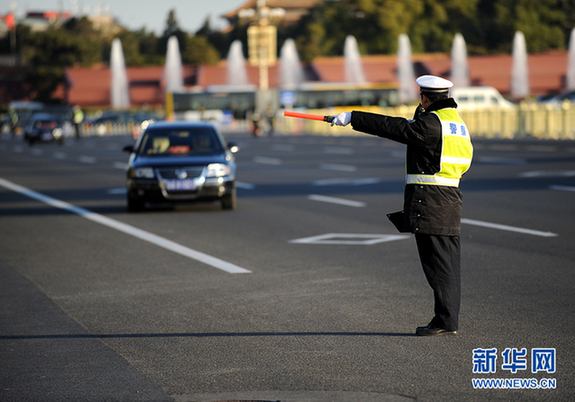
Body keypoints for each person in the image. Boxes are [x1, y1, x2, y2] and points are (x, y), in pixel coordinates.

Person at [331, 75, 473, 336]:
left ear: (425, 97)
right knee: (449, 265)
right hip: (450, 201)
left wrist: (353, 116)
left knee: (438, 266)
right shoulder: (457, 124)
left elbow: (392, 127)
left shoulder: (430, 124)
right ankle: (448, 320)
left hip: (431, 202)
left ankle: (444, 322)